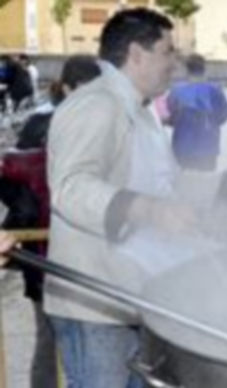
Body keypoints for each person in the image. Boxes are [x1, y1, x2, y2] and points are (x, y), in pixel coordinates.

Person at [44, 8, 198, 387]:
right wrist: (144, 208)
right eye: (167, 51)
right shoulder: (96, 104)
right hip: (95, 305)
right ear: (136, 54)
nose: (174, 63)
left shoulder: (142, 112)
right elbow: (70, 187)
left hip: (132, 296)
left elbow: (161, 183)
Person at [1, 54, 101, 388]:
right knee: (58, 341)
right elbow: (11, 173)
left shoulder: (101, 124)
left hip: (66, 257)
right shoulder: (45, 125)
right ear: (68, 87)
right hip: (48, 255)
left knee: (72, 344)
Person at [168, 54, 227, 171]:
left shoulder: (177, 91)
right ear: (204, 68)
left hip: (183, 147)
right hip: (208, 145)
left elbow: (169, 116)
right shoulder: (215, 90)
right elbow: (224, 115)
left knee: (185, 179)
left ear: (186, 69)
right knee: (207, 178)